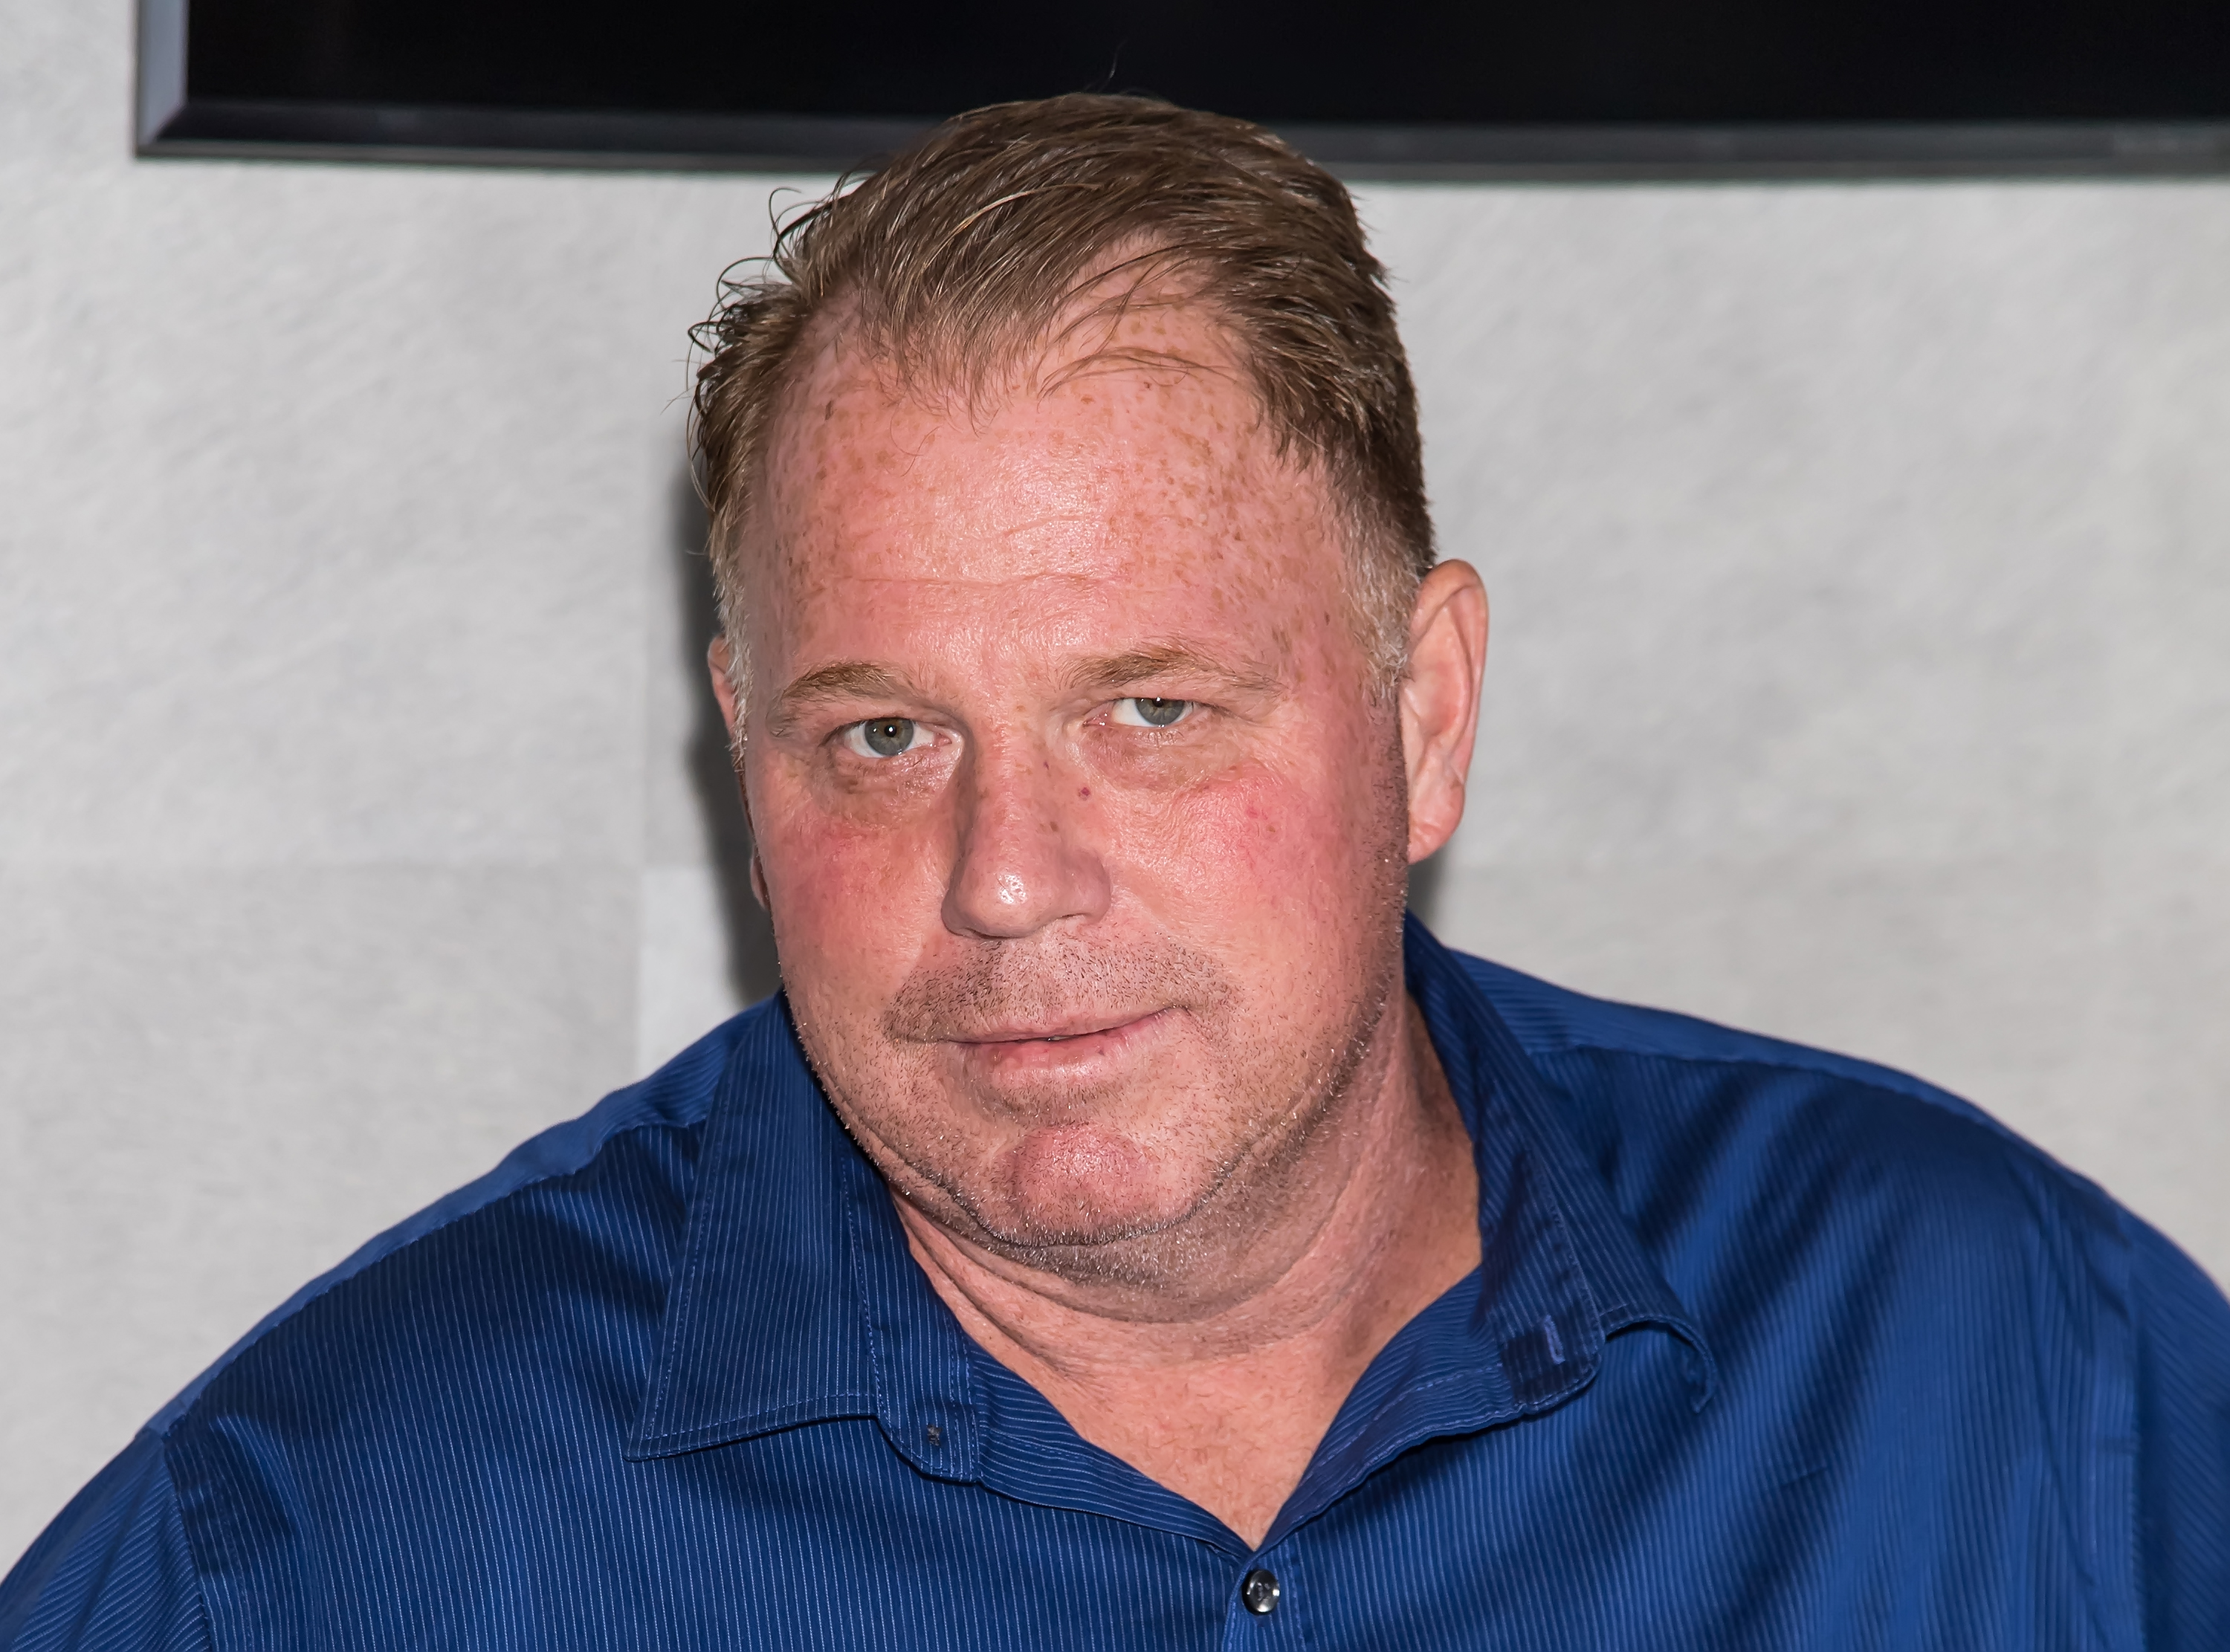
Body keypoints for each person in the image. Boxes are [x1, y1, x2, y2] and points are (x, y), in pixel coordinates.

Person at [4, 92, 2226, 1651]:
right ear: (743, 753)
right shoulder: (333, 1528)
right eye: (884, 736)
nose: (1004, 878)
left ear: (1425, 714)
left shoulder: (1999, 1350)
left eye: (1148, 712)